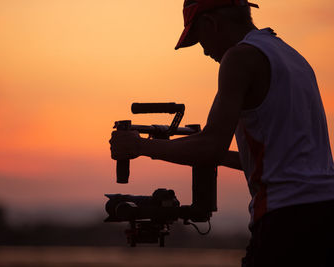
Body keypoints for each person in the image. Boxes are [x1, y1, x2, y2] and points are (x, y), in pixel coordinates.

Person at [109, 0, 334, 266]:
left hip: (285, 220)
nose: (204, 51)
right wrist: (198, 150)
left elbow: (210, 146)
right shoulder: (293, 57)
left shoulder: (239, 57)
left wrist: (140, 146)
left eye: (198, 38)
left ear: (210, 24)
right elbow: (278, 162)